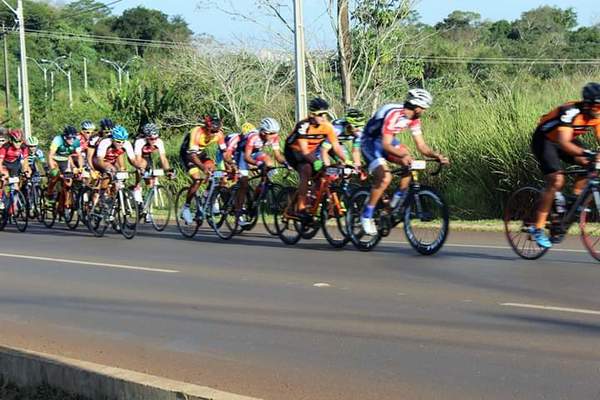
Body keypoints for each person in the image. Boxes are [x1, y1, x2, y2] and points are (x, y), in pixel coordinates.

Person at [360, 89, 449, 235]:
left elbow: (421, 145)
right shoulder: (394, 113)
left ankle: (393, 204)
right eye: (424, 108)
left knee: (410, 163)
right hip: (370, 142)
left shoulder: (414, 119)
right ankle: (366, 215)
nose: (424, 111)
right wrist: (402, 154)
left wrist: (436, 155)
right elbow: (386, 145)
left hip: (385, 140)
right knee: (385, 177)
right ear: (417, 106)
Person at [529, 82, 600, 248]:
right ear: (588, 104)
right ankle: (537, 228)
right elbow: (564, 142)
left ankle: (572, 203)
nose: (599, 110)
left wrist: (593, 157)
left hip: (565, 140)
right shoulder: (570, 111)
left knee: (590, 164)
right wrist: (587, 153)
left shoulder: (597, 115)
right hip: (546, 140)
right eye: (597, 106)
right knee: (557, 181)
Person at [284, 97, 349, 218]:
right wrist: (317, 162)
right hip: (294, 151)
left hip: (310, 151)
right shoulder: (303, 125)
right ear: (312, 114)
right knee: (306, 169)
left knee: (322, 176)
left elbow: (336, 147)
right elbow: (304, 151)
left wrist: (346, 160)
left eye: (326, 114)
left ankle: (312, 201)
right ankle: (301, 207)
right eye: (320, 115)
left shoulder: (328, 126)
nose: (324, 117)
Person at [232, 117, 287, 226]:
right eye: (270, 133)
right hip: (242, 154)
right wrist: (258, 164)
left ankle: (260, 189)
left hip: (255, 152)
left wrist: (286, 163)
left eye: (275, 133)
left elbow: (277, 156)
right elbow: (247, 157)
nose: (273, 136)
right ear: (263, 132)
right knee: (244, 182)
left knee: (269, 163)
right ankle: (238, 214)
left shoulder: (274, 137)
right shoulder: (253, 137)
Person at [179, 115, 226, 224]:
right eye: (212, 131)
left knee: (217, 174)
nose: (214, 134)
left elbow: (225, 153)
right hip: (188, 155)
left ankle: (207, 197)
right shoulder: (197, 132)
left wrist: (232, 165)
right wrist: (203, 168)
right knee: (197, 180)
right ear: (206, 127)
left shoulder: (219, 134)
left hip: (200, 154)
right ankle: (185, 208)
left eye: (216, 131)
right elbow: (192, 156)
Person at [133, 123, 173, 205]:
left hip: (147, 157)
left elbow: (163, 159)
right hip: (136, 157)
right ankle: (137, 187)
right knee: (142, 166)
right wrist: (141, 171)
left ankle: (146, 205)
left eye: (156, 138)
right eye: (151, 139)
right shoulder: (139, 142)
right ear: (146, 137)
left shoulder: (159, 142)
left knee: (150, 182)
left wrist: (168, 170)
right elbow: (137, 159)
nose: (154, 140)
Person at [46, 126, 83, 204]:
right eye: (70, 138)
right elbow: (50, 155)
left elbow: (79, 156)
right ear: (65, 137)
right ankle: (49, 192)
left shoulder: (76, 141)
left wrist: (80, 167)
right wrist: (53, 168)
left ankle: (66, 201)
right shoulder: (58, 140)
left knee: (68, 181)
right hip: (54, 159)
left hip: (65, 160)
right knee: (55, 175)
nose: (72, 140)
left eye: (73, 138)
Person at [0, 129, 31, 209]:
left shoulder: (24, 147)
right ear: (11, 140)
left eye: (20, 141)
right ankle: (1, 199)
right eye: (16, 141)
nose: (18, 144)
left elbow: (25, 161)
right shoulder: (5, 147)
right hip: (4, 164)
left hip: (14, 165)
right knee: (3, 179)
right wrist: (2, 172)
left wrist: (26, 170)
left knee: (16, 186)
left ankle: (12, 208)